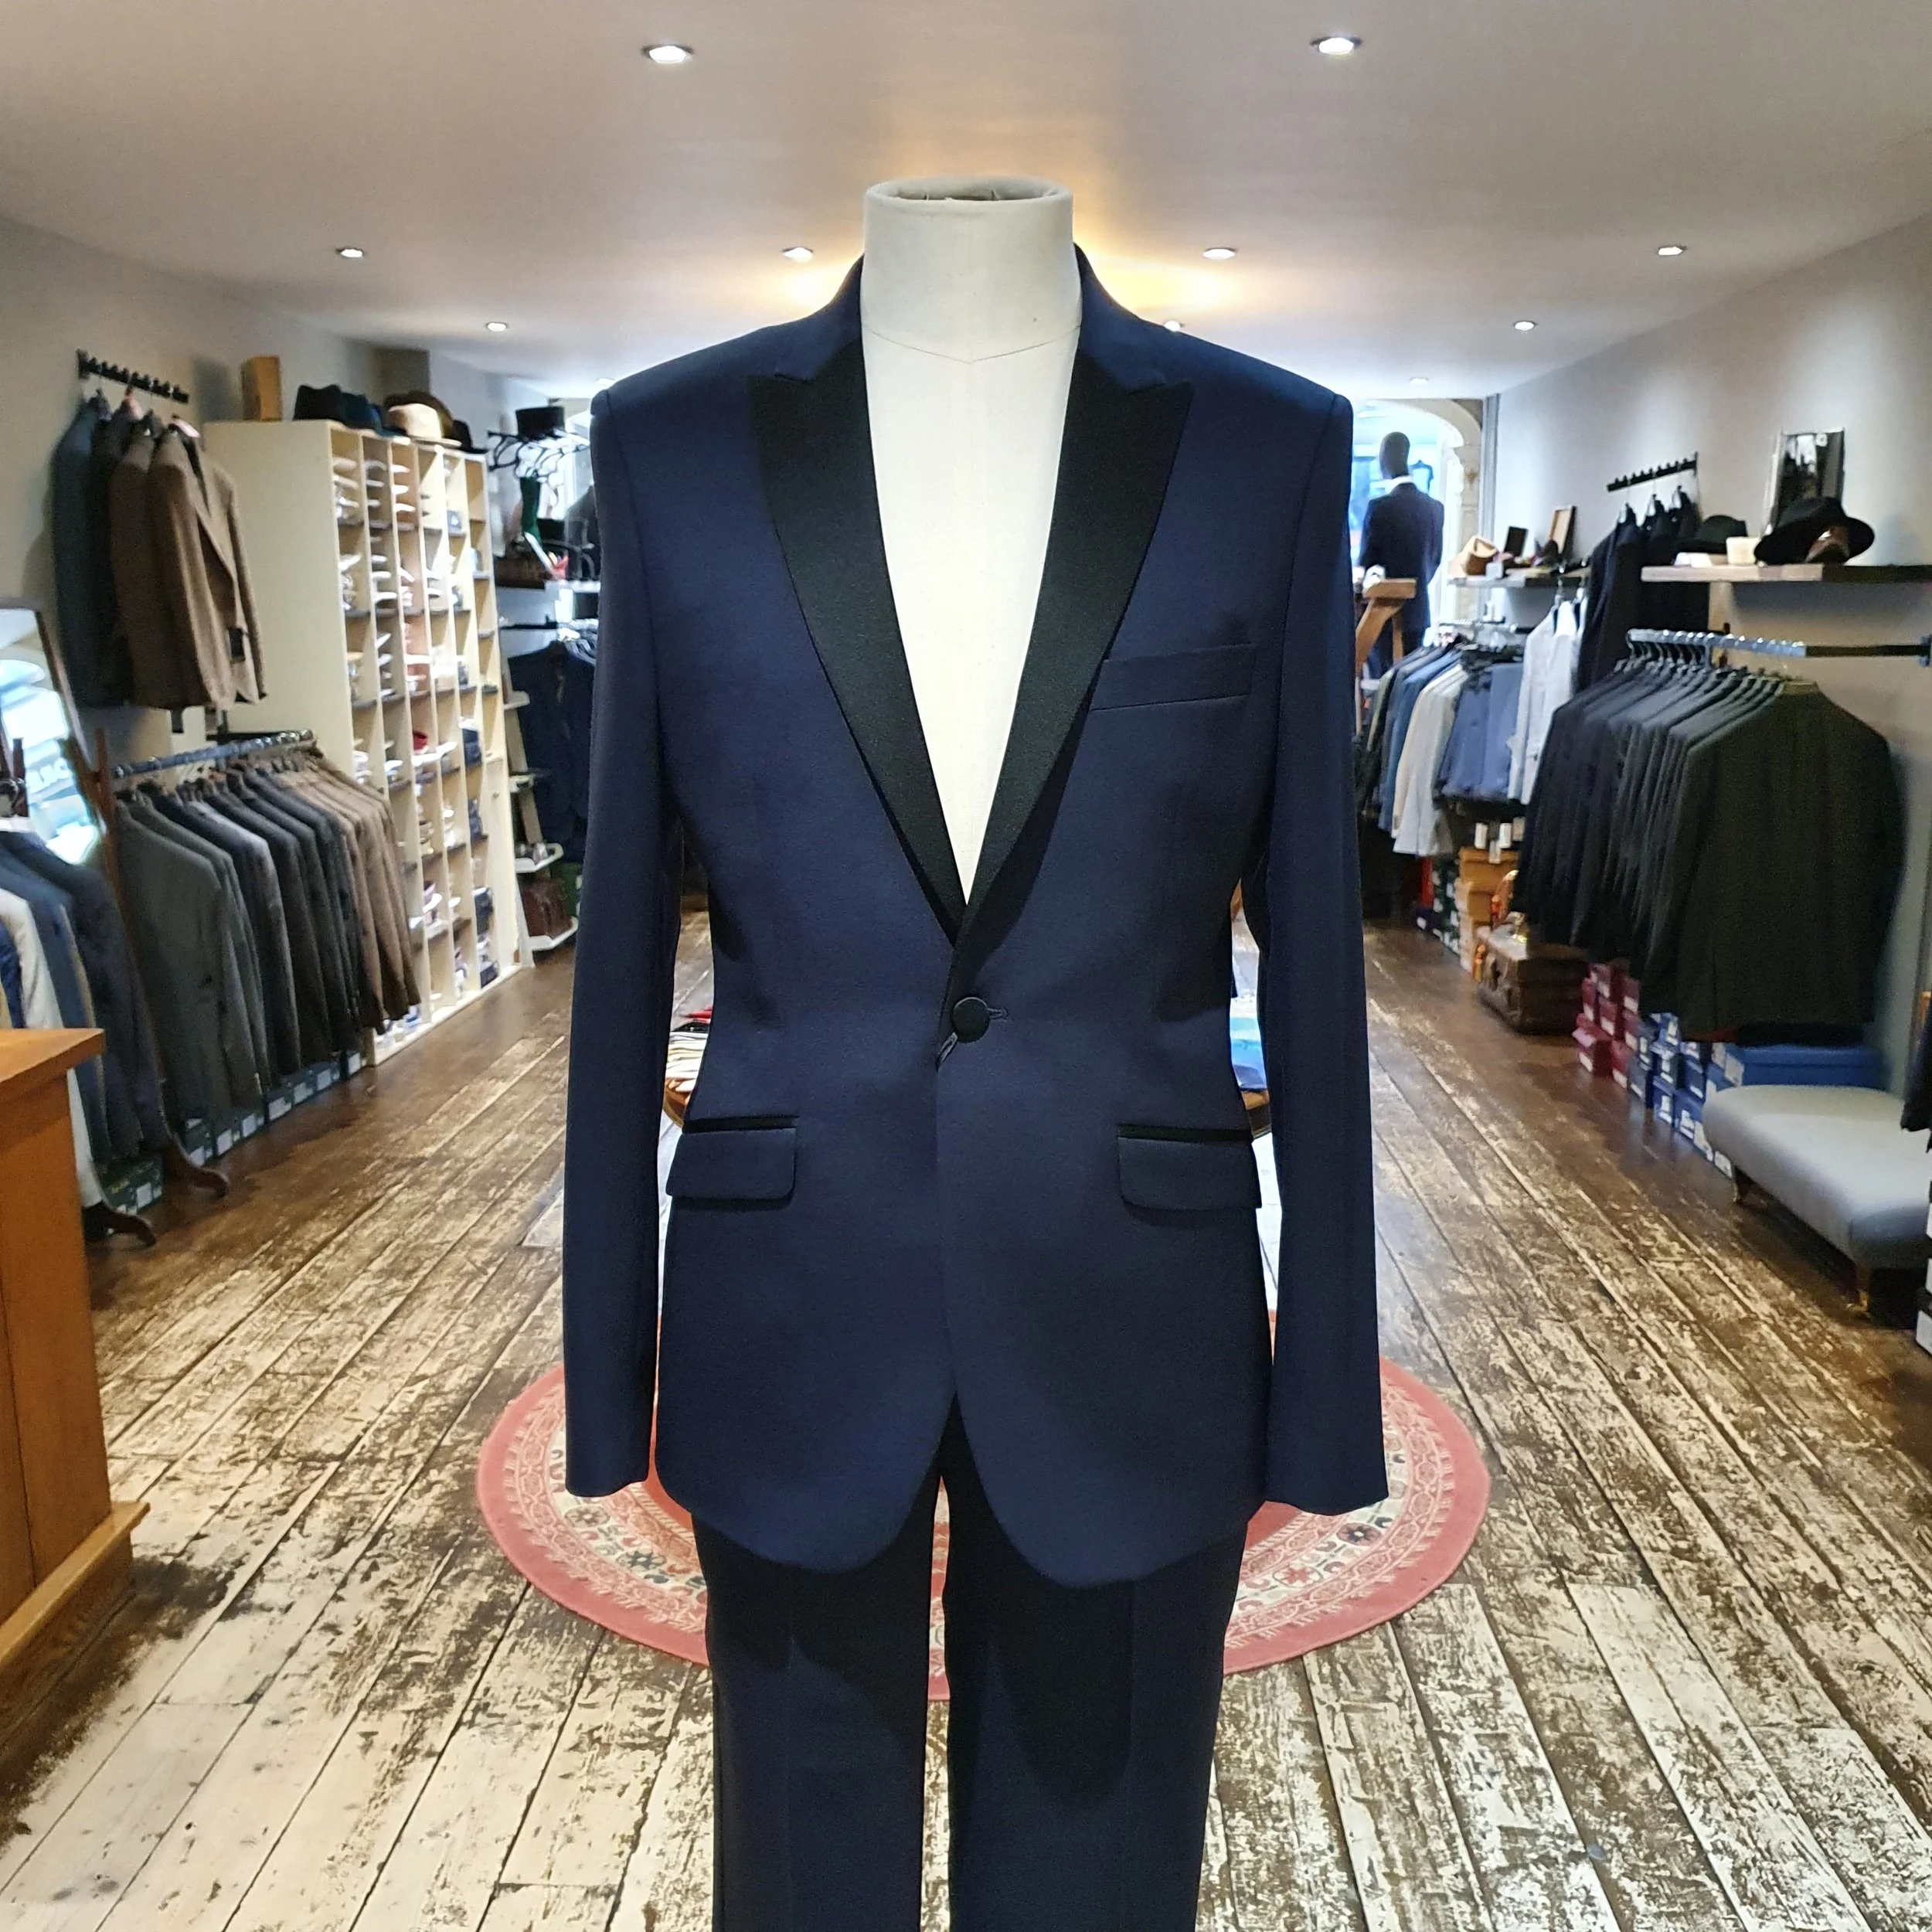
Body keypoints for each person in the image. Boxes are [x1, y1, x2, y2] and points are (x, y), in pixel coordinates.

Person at [1357, 431, 1444, 676]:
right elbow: (1435, 559)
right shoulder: (1435, 508)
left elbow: (1366, 562)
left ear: (1383, 461)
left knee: (1383, 684)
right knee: (1409, 682)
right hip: (1419, 612)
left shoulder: (1380, 508)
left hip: (1383, 615)